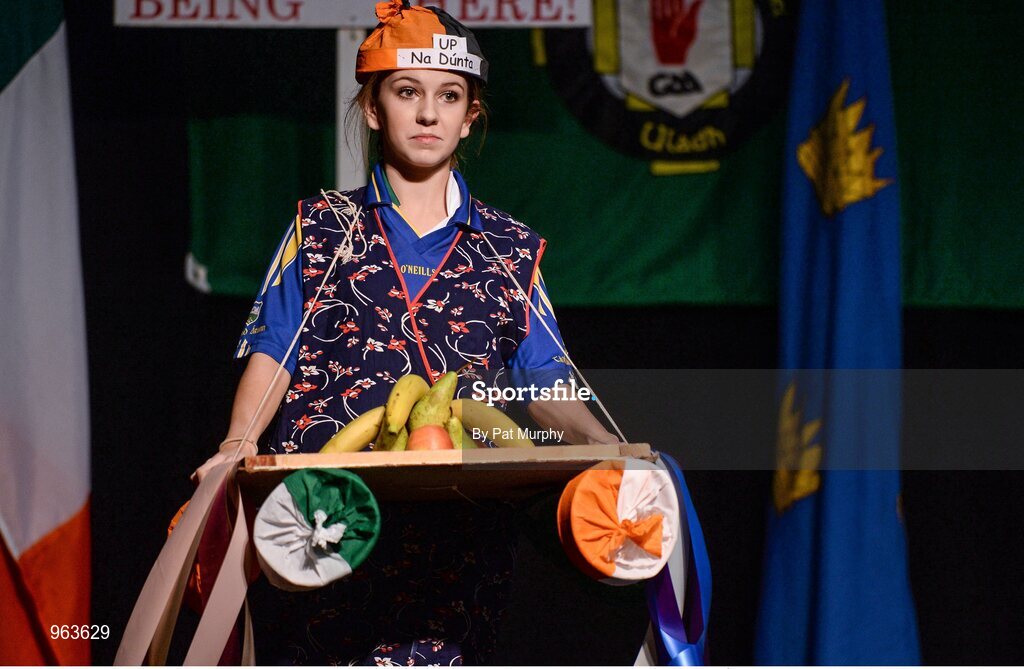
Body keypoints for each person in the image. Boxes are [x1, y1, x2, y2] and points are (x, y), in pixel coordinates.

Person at [194, 0, 618, 663]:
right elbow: (275, 350)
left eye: (448, 96)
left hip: (457, 552)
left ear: (470, 115)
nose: (428, 114)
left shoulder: (509, 248)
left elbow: (544, 379)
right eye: (406, 92)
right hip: (321, 533)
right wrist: (235, 445)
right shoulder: (321, 228)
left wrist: (607, 445)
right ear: (372, 107)